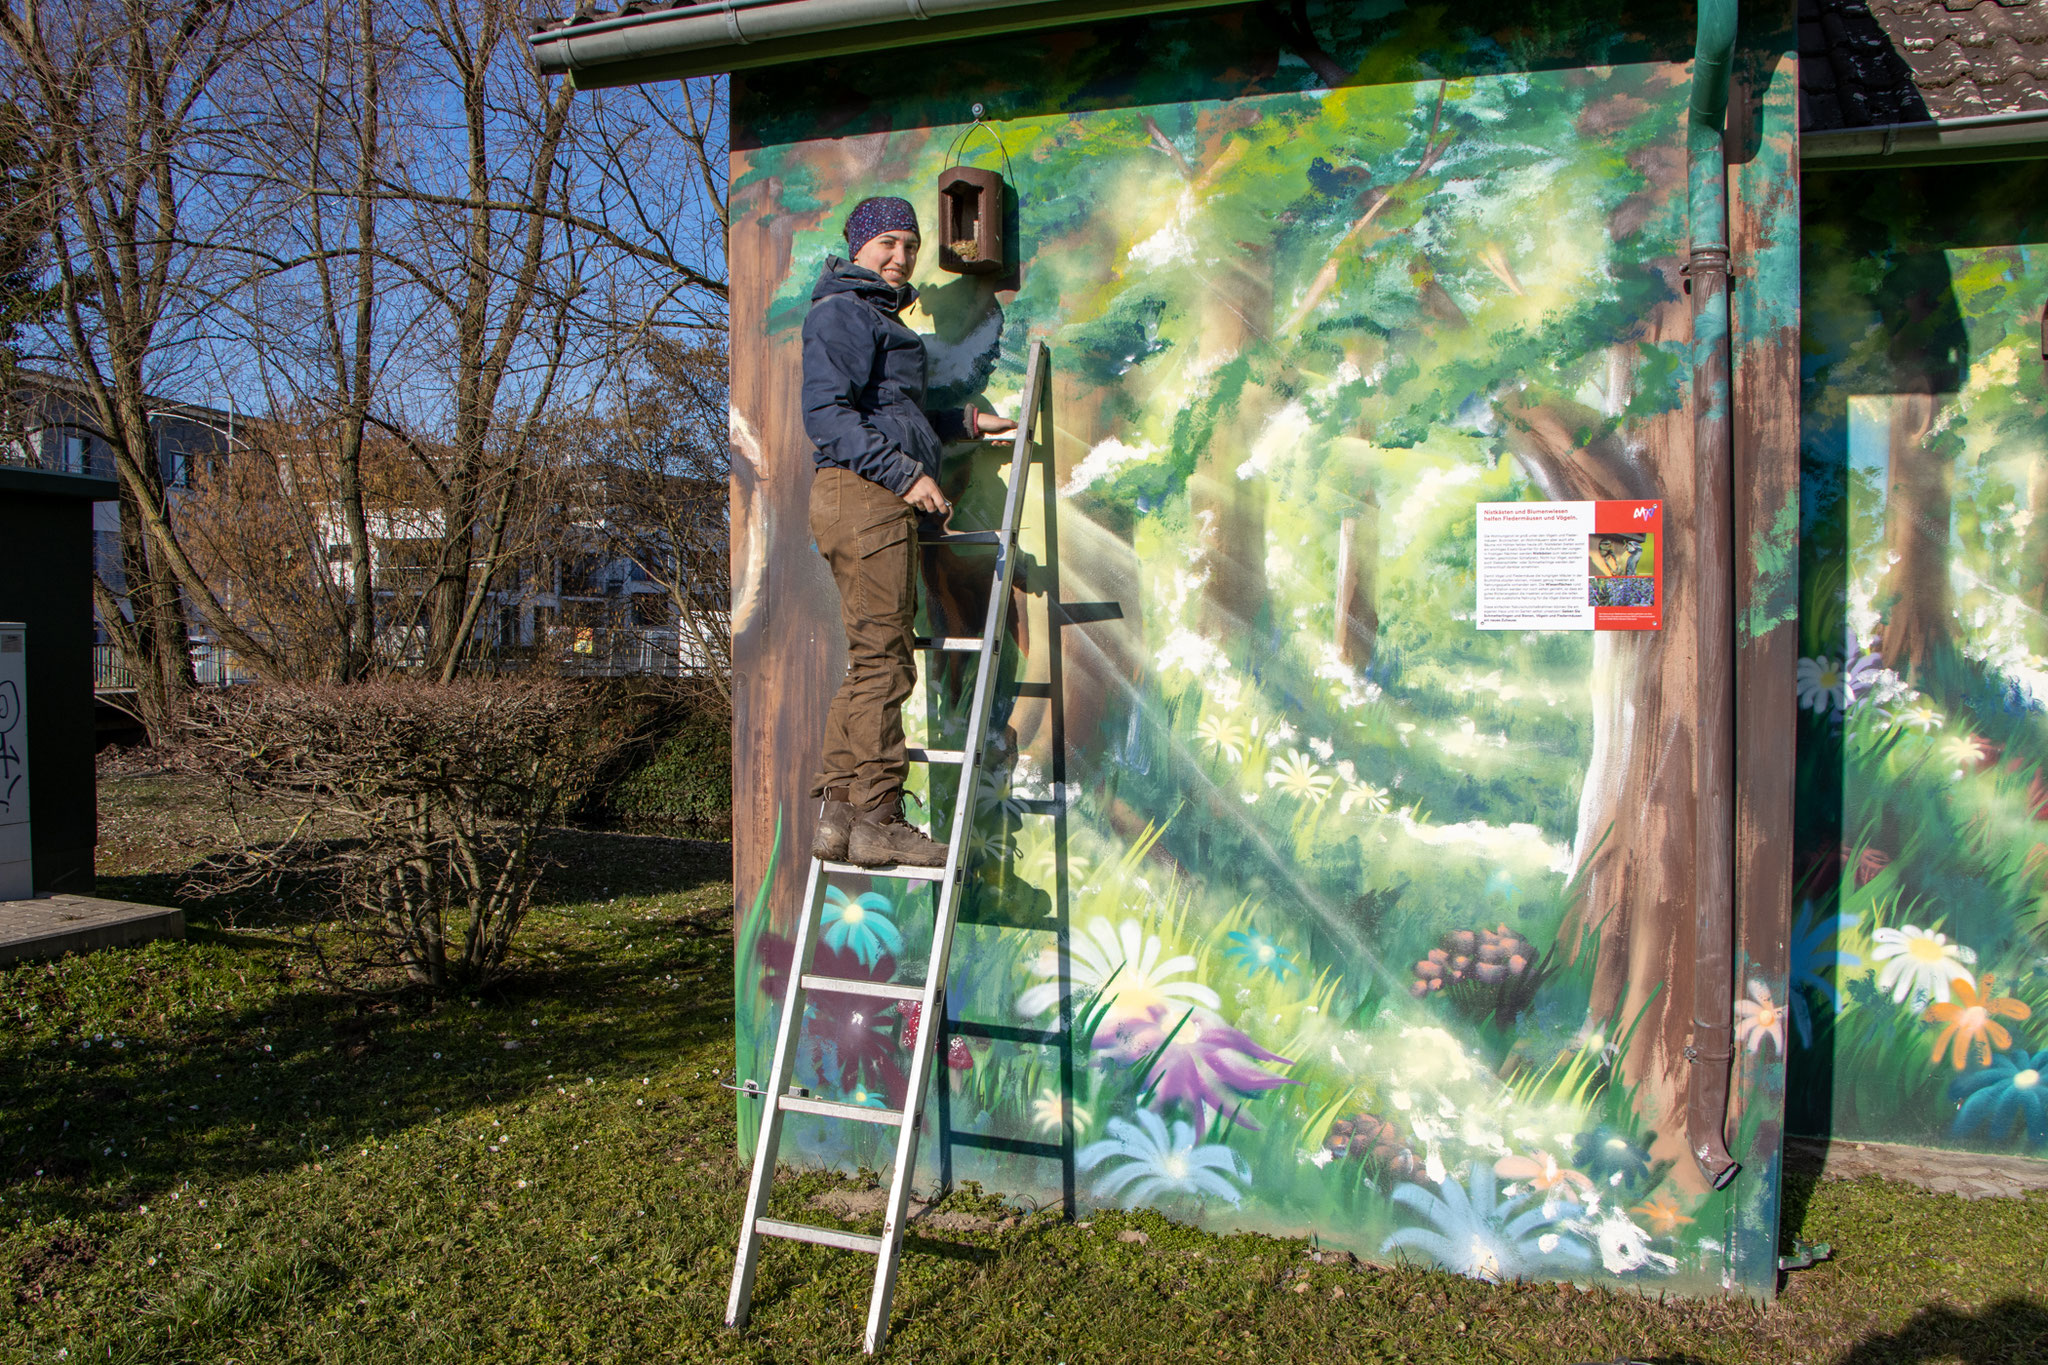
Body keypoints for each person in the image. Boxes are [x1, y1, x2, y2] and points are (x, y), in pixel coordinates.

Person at [802, 196, 1015, 868]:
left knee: (869, 658)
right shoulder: (842, 312)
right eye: (887, 243)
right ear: (857, 245)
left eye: (910, 245)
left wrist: (964, 426)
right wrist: (904, 476)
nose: (900, 257)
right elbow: (829, 418)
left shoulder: (875, 318)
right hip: (864, 497)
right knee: (887, 663)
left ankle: (840, 814)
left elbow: (895, 418)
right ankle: (878, 819)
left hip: (861, 495)